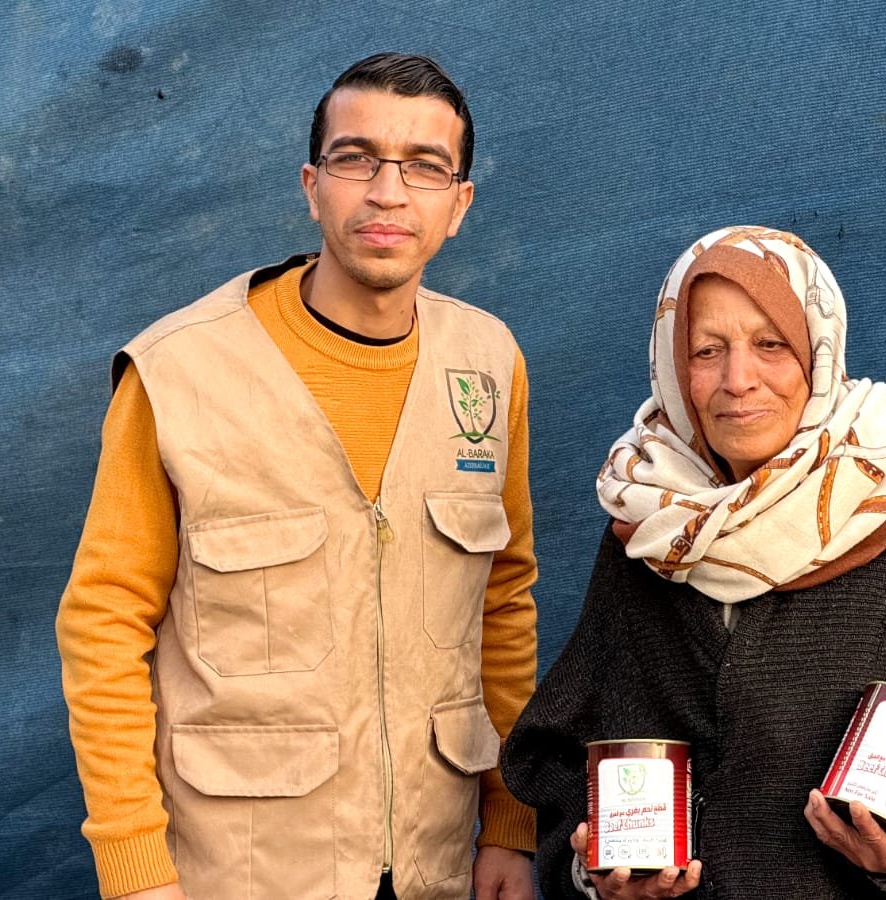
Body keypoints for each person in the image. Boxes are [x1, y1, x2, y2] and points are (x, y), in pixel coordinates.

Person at [56, 53, 538, 900]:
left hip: (433, 868)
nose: (387, 192)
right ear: (312, 187)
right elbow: (104, 624)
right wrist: (134, 869)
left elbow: (502, 602)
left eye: (424, 167)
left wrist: (510, 822)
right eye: (357, 159)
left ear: (459, 204)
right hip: (235, 872)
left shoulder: (488, 364)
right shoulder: (179, 371)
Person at [501, 226, 886, 899]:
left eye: (771, 345)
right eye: (707, 350)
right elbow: (559, 756)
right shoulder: (651, 526)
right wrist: (597, 876)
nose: (738, 380)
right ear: (673, 368)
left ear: (817, 352)